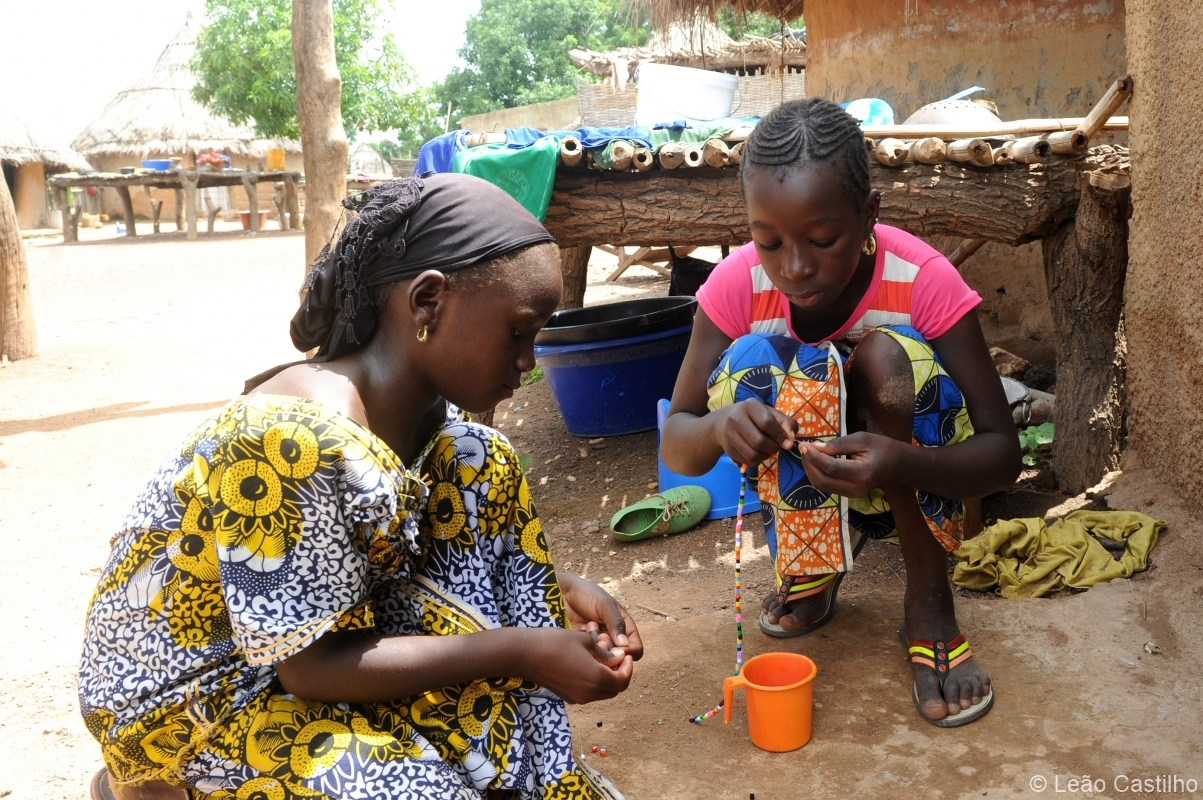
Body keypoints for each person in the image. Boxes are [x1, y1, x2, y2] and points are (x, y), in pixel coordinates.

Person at [79, 174, 641, 800]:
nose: (528, 361)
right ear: (428, 302)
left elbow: (390, 564)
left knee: (483, 462)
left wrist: (553, 593)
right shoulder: (286, 441)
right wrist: (519, 651)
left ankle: (519, 775)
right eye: (517, 333)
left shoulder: (438, 431)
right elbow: (307, 667)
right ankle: (159, 786)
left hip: (332, 637)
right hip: (213, 697)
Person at [661, 98, 1020, 728]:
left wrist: (900, 463)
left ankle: (929, 601)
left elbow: (1003, 455)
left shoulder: (924, 280)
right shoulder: (735, 288)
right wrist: (722, 426)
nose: (794, 267)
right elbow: (677, 444)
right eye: (767, 240)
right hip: (812, 482)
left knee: (887, 361)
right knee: (752, 360)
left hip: (914, 475)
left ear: (868, 216)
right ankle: (812, 566)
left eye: (823, 240)